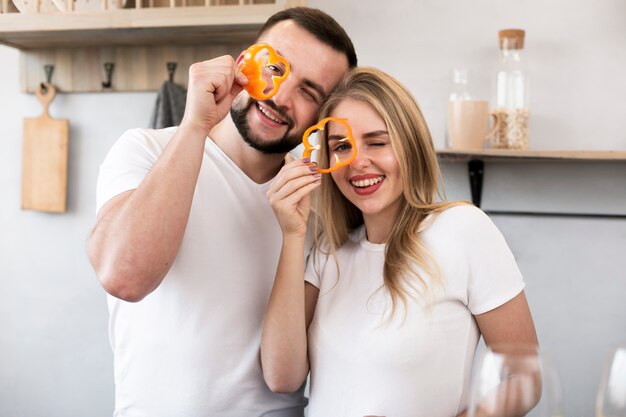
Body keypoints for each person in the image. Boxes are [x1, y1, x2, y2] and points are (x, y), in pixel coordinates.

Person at [87, 7, 357, 417]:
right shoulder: (145, 150)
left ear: (324, 115)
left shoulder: (322, 202)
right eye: (275, 67)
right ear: (243, 59)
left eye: (309, 92)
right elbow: (124, 277)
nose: (280, 97)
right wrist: (195, 125)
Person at [261, 67, 538, 417]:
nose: (358, 161)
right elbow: (281, 376)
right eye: (341, 146)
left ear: (409, 145)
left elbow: (524, 376)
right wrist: (291, 234)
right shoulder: (331, 250)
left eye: (377, 142)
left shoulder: (463, 229)